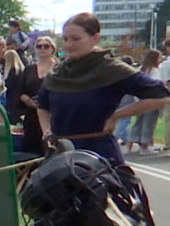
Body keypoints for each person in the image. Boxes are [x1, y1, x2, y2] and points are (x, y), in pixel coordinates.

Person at [36, 12, 170, 165]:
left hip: (100, 155)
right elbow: (42, 105)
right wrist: (47, 132)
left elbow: (160, 95)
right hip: (61, 154)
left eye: (76, 39)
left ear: (95, 38)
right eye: (65, 39)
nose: (68, 44)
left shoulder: (111, 68)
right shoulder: (57, 73)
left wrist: (116, 115)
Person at [11, 34, 58, 155]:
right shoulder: (29, 69)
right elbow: (20, 92)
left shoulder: (59, 68)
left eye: (46, 46)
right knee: (30, 152)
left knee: (51, 151)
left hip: (53, 116)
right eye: (39, 46)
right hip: (31, 117)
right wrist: (28, 101)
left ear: (52, 49)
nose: (42, 49)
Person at [128, 49, 165, 154]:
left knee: (138, 123)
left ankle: (130, 145)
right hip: (152, 101)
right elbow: (157, 86)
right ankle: (145, 146)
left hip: (140, 100)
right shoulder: (154, 71)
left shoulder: (140, 69)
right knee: (149, 123)